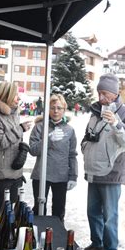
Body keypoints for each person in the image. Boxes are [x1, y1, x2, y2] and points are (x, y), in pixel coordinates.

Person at [81, 73, 125, 250]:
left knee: (110, 215)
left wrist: (116, 123)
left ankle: (110, 249)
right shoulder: (94, 112)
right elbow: (88, 135)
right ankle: (97, 243)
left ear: (116, 94)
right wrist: (85, 146)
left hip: (112, 171)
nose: (101, 98)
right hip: (94, 169)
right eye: (99, 93)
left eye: (106, 94)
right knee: (92, 211)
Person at [29, 94, 78, 222]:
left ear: (64, 109)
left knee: (58, 211)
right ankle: (38, 235)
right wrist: (48, 140)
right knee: (39, 210)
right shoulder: (40, 127)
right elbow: (33, 150)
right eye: (52, 108)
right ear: (47, 109)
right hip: (41, 175)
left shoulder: (69, 130)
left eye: (59, 108)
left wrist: (73, 176)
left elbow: (72, 154)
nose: (55, 111)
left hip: (61, 176)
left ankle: (57, 238)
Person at [0, 81, 31, 215]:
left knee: (13, 214)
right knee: (0, 215)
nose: (19, 98)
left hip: (15, 174)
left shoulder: (14, 114)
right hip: (0, 177)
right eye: (15, 95)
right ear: (6, 96)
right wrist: (20, 129)